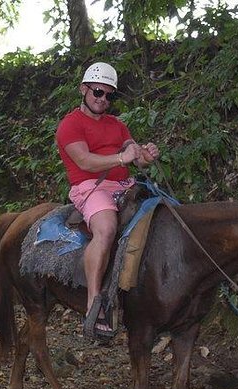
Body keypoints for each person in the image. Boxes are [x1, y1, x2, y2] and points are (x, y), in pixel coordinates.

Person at [55, 62, 160, 339]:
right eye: (98, 92)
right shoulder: (70, 125)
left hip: (125, 184)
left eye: (109, 95)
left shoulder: (118, 125)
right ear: (83, 90)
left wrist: (143, 156)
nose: (103, 99)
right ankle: (94, 302)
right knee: (106, 228)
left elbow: (133, 154)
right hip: (90, 187)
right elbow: (84, 161)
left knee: (164, 214)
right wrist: (120, 158)